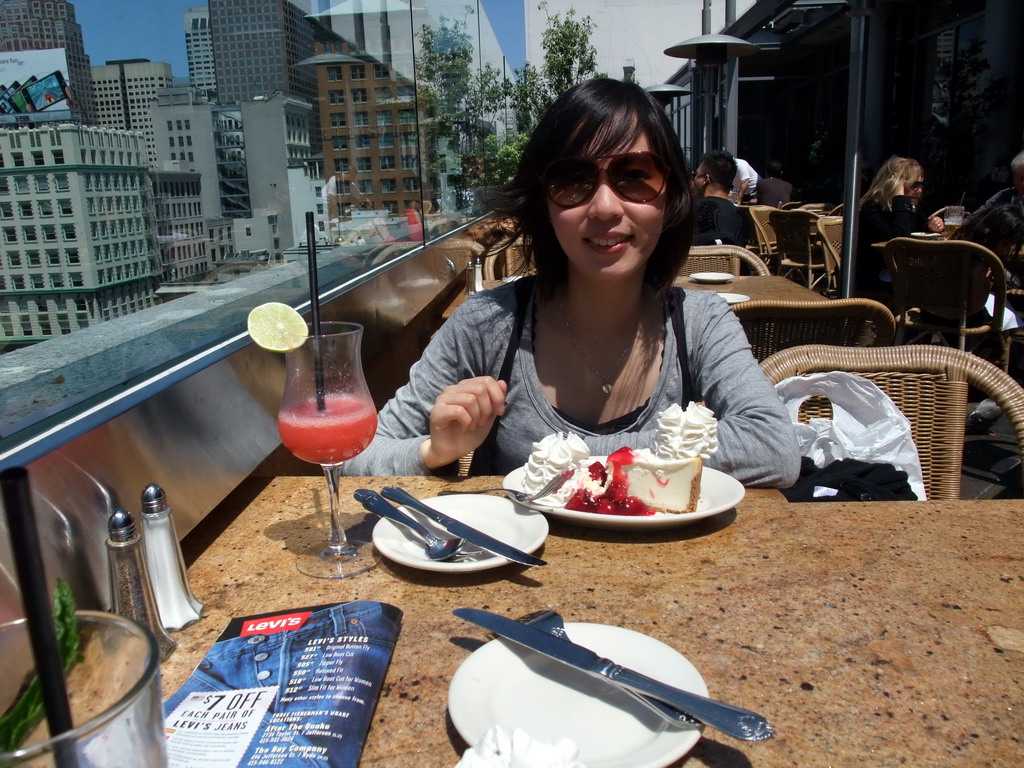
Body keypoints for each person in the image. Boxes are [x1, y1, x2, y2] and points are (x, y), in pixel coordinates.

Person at [343, 78, 800, 488]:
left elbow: (772, 447)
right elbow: (359, 456)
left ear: (671, 196)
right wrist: (435, 451)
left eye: (635, 176)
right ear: (543, 201)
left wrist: (561, 459)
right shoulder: (486, 325)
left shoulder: (700, 322)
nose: (604, 206)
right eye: (574, 179)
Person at [855, 155, 943, 294]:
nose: (920, 191)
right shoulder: (871, 208)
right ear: (894, 184)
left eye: (921, 185)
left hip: (905, 270)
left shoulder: (912, 208)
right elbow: (901, 241)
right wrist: (900, 200)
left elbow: (917, 230)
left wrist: (931, 226)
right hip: (875, 277)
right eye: (914, 185)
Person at [692, 149, 747, 247]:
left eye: (695, 175)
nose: (693, 179)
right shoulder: (742, 217)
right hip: (734, 262)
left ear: (706, 179)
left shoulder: (692, 210)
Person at [975, 150, 1024, 214]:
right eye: (1021, 178)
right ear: (1014, 178)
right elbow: (977, 215)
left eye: (1004, 170)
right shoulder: (1005, 195)